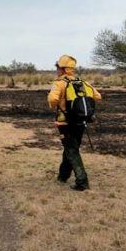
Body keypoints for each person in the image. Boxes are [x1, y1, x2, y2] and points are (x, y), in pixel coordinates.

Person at [47, 55, 102, 191]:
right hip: (81, 121)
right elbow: (98, 96)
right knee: (71, 147)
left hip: (65, 123)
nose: (57, 69)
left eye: (58, 67)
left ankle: (82, 182)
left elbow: (53, 100)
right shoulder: (83, 82)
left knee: (71, 149)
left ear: (63, 69)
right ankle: (63, 176)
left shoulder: (59, 83)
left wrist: (56, 105)